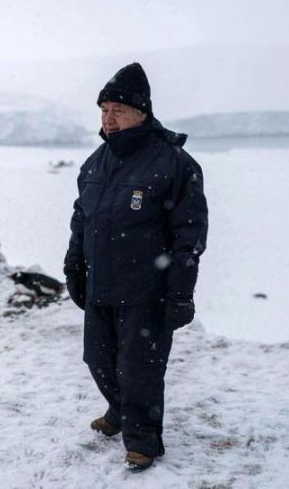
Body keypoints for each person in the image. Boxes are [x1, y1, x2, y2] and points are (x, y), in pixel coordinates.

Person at [63, 62, 208, 471]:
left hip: (147, 288)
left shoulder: (174, 163)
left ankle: (143, 438)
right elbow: (82, 216)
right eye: (103, 111)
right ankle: (119, 410)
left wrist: (180, 292)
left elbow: (189, 236)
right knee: (98, 359)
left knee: (139, 369)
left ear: (142, 112)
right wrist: (74, 262)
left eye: (118, 111)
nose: (108, 120)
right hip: (102, 283)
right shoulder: (96, 161)